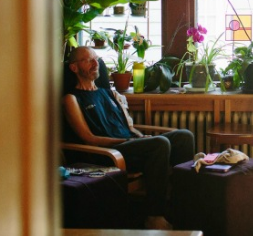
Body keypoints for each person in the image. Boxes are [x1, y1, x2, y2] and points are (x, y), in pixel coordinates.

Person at [63, 46, 194, 230]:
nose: (95, 64)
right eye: (88, 60)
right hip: (108, 153)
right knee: (160, 144)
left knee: (184, 137)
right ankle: (154, 216)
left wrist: (140, 138)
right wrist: (128, 142)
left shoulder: (108, 93)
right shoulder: (72, 98)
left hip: (130, 145)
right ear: (74, 68)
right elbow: (89, 138)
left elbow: (127, 127)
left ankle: (182, 207)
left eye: (96, 59)